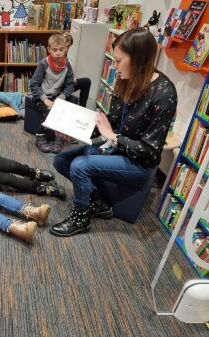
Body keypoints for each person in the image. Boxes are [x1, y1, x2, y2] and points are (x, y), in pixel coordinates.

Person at [49, 28, 178, 237]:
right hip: (115, 148)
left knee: (80, 165)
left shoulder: (164, 93)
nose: (114, 66)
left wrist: (112, 137)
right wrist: (74, 130)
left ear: (137, 59)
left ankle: (81, 218)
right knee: (61, 161)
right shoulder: (125, 79)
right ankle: (97, 202)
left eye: (118, 61)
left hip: (138, 163)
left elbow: (150, 153)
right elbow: (112, 123)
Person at [29, 33, 75, 154]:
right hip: (42, 97)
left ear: (66, 49)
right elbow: (33, 84)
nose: (58, 53)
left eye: (61, 49)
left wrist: (61, 97)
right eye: (55, 50)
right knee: (51, 111)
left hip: (57, 97)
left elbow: (70, 85)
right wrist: (45, 99)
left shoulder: (67, 65)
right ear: (49, 50)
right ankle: (40, 135)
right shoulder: (43, 64)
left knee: (68, 107)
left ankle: (58, 137)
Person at [63, 32, 91, 108]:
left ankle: (82, 108)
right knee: (85, 81)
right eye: (65, 46)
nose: (67, 49)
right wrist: (70, 81)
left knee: (86, 82)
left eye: (68, 47)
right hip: (59, 87)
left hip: (66, 83)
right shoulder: (57, 56)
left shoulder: (66, 58)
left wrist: (71, 80)